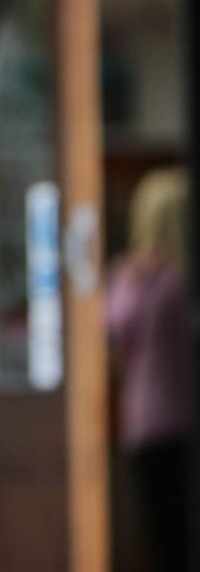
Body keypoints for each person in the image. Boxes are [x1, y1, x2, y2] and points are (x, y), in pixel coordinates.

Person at [106, 167, 192, 572]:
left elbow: (112, 334)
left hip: (148, 419)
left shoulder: (134, 277)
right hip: (183, 417)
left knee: (161, 532)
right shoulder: (182, 278)